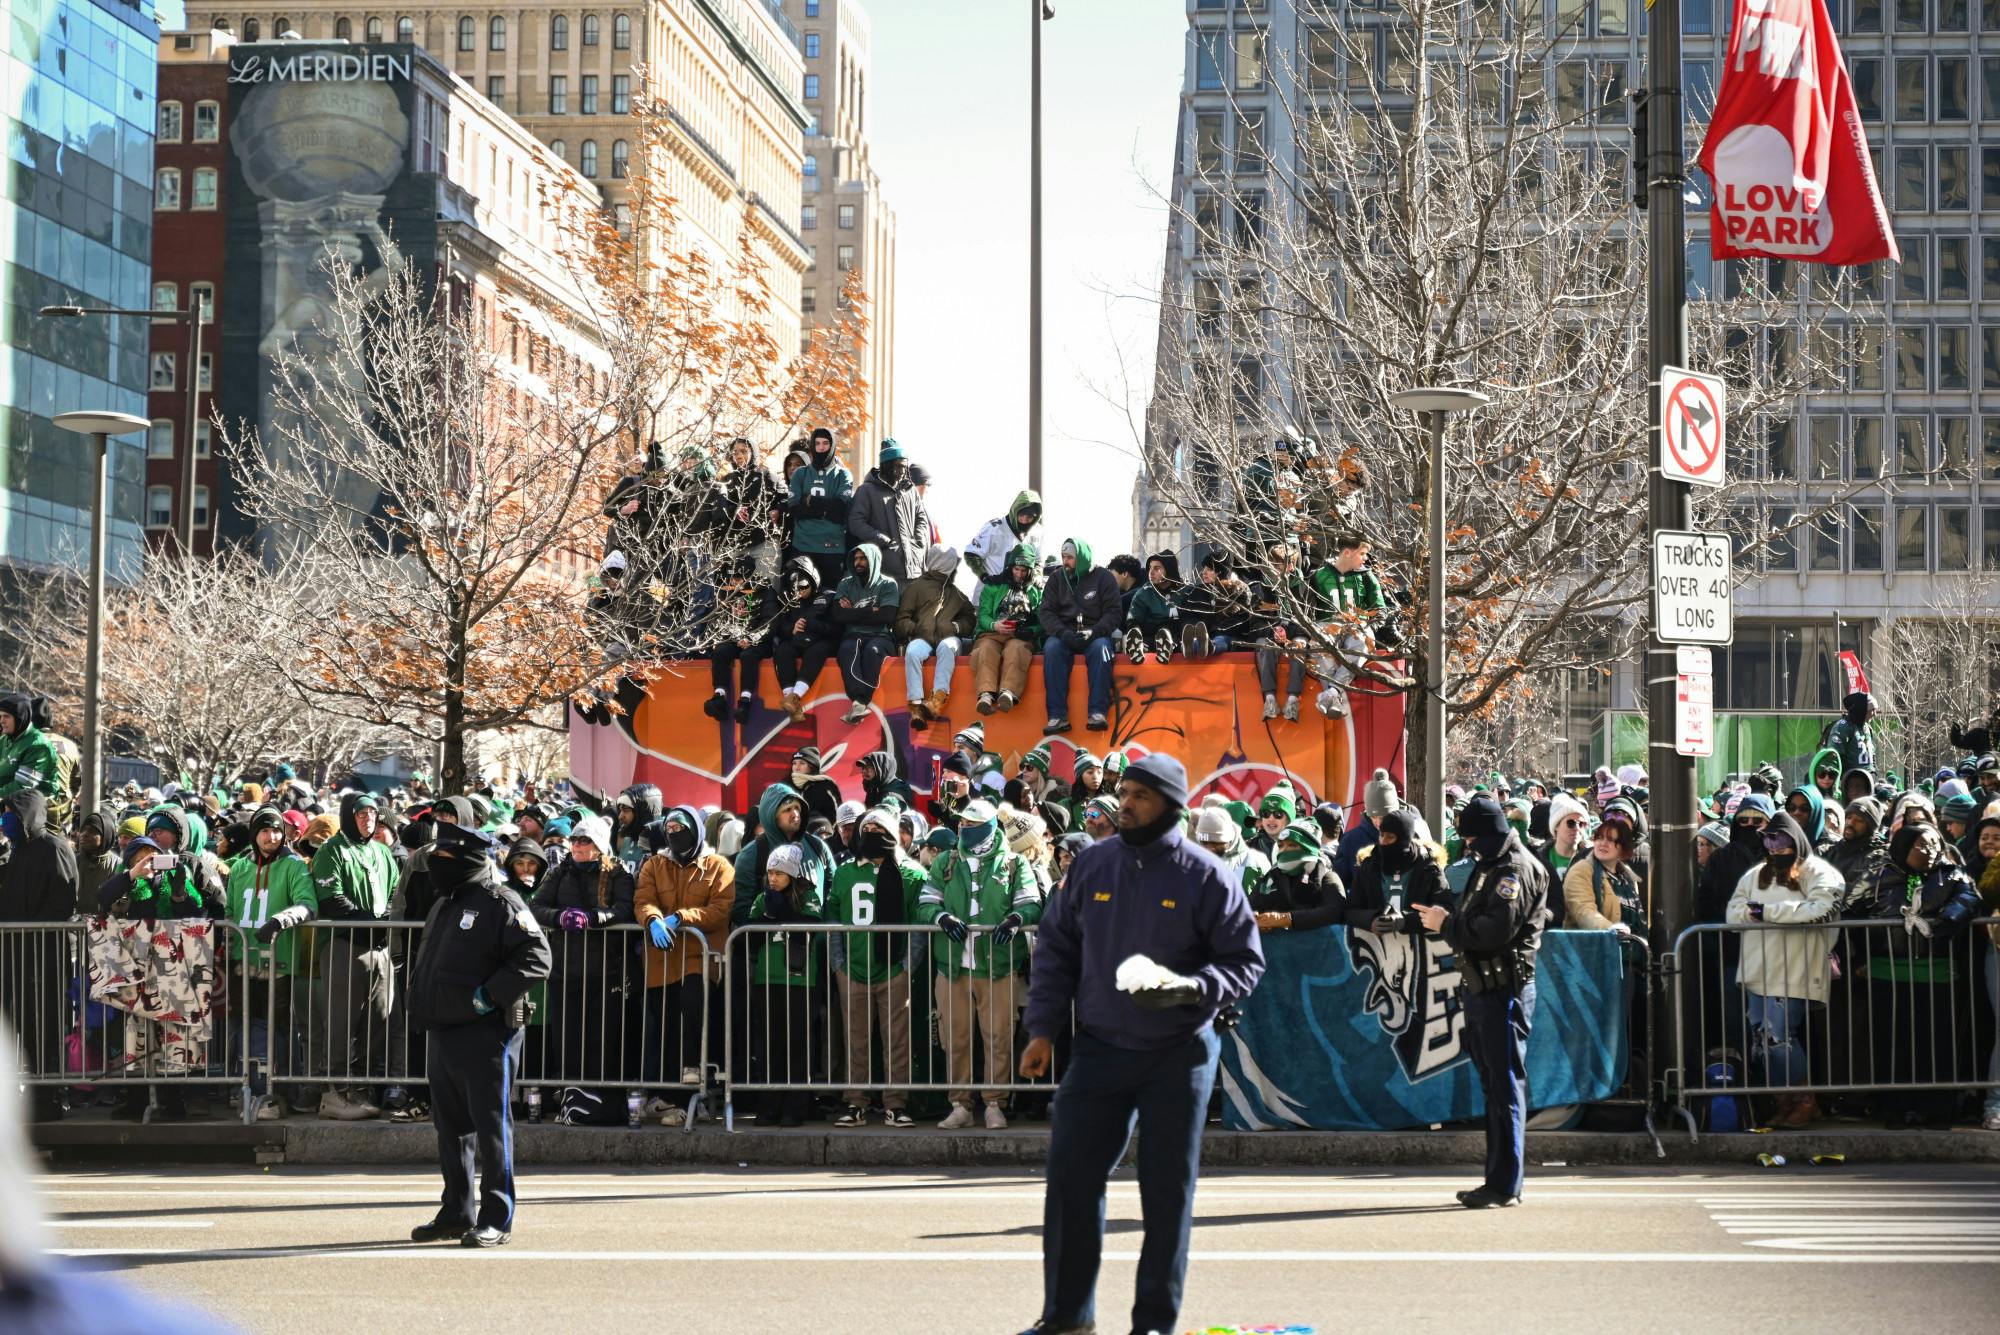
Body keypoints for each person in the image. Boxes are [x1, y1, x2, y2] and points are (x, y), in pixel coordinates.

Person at [1016, 754, 1265, 1335]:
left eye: (1140, 796)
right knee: (1071, 1178)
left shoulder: (1206, 875)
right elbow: (1056, 949)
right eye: (1123, 792)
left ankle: (1153, 1323)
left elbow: (1246, 962)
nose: (1124, 803)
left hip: (1179, 1054)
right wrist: (1043, 1030)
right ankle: (1068, 1316)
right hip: (1100, 1048)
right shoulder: (1093, 867)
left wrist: (1194, 987)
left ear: (1172, 806)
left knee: (1166, 1194)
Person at [405, 820, 551, 1247]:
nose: (436, 864)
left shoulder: (499, 900)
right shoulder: (446, 901)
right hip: (443, 1029)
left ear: (469, 860)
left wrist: (488, 997)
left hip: (486, 1034)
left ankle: (497, 1216)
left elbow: (536, 957)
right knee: (451, 1130)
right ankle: (457, 1210)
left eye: (446, 858)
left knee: (490, 1128)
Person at [1414, 794, 1547, 1208]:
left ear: (1488, 834)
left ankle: (1505, 1183)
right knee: (1495, 1085)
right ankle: (1500, 1179)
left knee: (1505, 1086)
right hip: (1484, 987)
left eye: (1472, 837)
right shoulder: (1492, 865)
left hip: (1502, 990)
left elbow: (1494, 930)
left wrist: (1446, 924)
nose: (1468, 845)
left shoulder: (1514, 870)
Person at [916, 797, 1042, 1129]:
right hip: (953, 965)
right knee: (954, 1037)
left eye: (971, 824)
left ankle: (994, 1104)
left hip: (997, 965)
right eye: (962, 823)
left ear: (988, 827)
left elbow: (1031, 902)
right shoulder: (946, 860)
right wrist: (940, 917)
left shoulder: (1014, 863)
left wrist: (1017, 918)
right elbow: (926, 901)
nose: (964, 828)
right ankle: (960, 1104)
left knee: (998, 1037)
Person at [1725, 810, 1841, 1127]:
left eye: (1781, 839)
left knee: (1780, 1039)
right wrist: (1753, 914)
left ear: (1795, 840)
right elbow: (1733, 913)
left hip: (1794, 971)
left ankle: (1804, 1100)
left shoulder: (1818, 871)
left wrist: (1766, 912)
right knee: (1762, 1044)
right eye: (1769, 839)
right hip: (1757, 971)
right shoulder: (1755, 874)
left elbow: (1823, 908)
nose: (1774, 846)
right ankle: (1786, 1100)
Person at [528, 819, 635, 1125]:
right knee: (567, 1041)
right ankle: (571, 1100)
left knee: (602, 1041)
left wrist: (594, 918)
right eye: (573, 840)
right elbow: (536, 907)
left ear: (598, 845)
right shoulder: (560, 871)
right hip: (565, 970)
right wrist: (560, 916)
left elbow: (625, 909)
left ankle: (600, 1103)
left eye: (583, 841)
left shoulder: (618, 872)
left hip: (605, 971)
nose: (575, 845)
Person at [826, 807, 927, 1127]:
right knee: (855, 1038)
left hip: (893, 968)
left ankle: (895, 1103)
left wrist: (907, 965)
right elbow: (832, 919)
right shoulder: (845, 872)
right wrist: (838, 964)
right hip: (854, 969)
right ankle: (855, 1101)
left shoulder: (912, 873)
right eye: (864, 828)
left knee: (897, 1039)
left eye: (877, 828)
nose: (870, 833)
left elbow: (918, 921)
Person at [634, 806, 735, 1122]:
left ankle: (695, 1090)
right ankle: (669, 1096)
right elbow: (644, 898)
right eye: (671, 828)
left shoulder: (718, 866)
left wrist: (680, 918)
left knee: (693, 1015)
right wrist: (652, 919)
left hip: (698, 956)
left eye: (682, 827)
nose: (676, 833)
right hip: (662, 959)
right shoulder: (654, 864)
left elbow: (720, 908)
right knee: (665, 1025)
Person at [308, 793, 402, 1121]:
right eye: (361, 813)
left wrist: (384, 924)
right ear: (349, 816)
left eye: (373, 813)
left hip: (380, 949)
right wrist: (368, 926)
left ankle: (361, 1086)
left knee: (380, 1018)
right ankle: (334, 1090)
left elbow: (395, 893)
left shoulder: (381, 852)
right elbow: (331, 898)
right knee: (341, 1021)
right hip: (344, 944)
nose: (368, 819)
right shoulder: (330, 851)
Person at [230, 807, 317, 1121]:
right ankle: (248, 1090)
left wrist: (281, 920)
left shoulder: (293, 866)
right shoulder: (240, 867)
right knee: (244, 1027)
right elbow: (229, 911)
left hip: (279, 964)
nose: (272, 836)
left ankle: (273, 1093)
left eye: (277, 830)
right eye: (265, 830)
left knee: (274, 1030)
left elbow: (307, 904)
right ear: (255, 833)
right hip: (243, 963)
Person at [0, 790, 77, 1122]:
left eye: (9, 814)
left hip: (44, 955)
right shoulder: (17, 852)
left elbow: (62, 901)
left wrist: (29, 929)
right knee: (17, 1027)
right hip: (15, 956)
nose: (4, 821)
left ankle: (48, 1097)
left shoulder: (53, 848)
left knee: (43, 1028)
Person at [745, 842, 825, 1126]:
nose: (773, 879)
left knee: (797, 1045)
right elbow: (749, 937)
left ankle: (796, 1106)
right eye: (770, 873)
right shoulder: (762, 898)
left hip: (801, 981)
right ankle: (768, 1105)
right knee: (769, 1045)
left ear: (792, 874)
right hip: (768, 979)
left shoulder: (808, 895)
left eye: (779, 873)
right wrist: (768, 915)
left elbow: (809, 930)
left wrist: (783, 914)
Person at [1038, 538, 1123, 734]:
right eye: (1063, 557)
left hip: (1095, 633)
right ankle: (1057, 716)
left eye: (1070, 557)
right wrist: (1062, 633)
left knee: (1102, 651)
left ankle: (1097, 713)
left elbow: (1114, 612)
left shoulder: (1104, 577)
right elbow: (1046, 612)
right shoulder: (1057, 578)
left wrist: (1095, 631)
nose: (1065, 561)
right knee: (1051, 649)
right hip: (1064, 633)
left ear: (1082, 558)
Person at [1306, 534, 1388, 718]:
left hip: (1356, 625)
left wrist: (1370, 625)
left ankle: (1331, 692)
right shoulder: (1319, 574)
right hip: (1326, 624)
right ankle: (1333, 698)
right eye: (1363, 553)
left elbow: (1380, 608)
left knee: (1363, 643)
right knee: (1319, 643)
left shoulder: (1366, 576)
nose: (1366, 559)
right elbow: (1307, 607)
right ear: (1348, 553)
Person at [896, 543, 977, 728]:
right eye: (952, 563)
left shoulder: (956, 593)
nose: (955, 567)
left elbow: (970, 619)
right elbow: (901, 620)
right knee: (913, 652)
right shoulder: (915, 588)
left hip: (948, 638)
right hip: (922, 639)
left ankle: (936, 702)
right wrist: (917, 629)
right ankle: (916, 709)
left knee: (947, 648)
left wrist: (956, 627)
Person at [830, 542, 900, 724]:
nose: (857, 563)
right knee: (847, 651)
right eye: (855, 559)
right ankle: (858, 701)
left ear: (874, 560)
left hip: (881, 637)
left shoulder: (888, 584)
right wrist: (870, 610)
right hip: (852, 635)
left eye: (863, 559)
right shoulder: (846, 583)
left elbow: (887, 615)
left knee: (872, 652)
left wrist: (852, 612)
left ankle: (860, 702)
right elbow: (838, 615)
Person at [969, 544, 1043, 715]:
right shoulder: (993, 586)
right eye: (1016, 569)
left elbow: (1043, 621)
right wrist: (994, 625)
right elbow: (983, 615)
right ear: (1010, 568)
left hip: (1019, 636)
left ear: (1030, 571)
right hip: (992, 633)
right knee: (985, 649)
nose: (1019, 574)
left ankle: (1008, 692)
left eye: (1024, 571)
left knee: (1017, 650)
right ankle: (986, 695)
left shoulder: (1037, 591)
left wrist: (1032, 630)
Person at [846, 439, 928, 585]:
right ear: (885, 466)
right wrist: (883, 540)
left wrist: (918, 542)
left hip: (914, 570)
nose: (902, 471)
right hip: (884, 571)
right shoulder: (866, 491)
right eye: (898, 467)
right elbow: (855, 523)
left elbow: (921, 518)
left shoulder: (911, 491)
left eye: (904, 467)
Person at [787, 427, 855, 589]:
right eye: (817, 443)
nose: (821, 447)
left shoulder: (843, 475)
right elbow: (794, 508)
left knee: (830, 596)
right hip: (803, 546)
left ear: (832, 446)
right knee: (799, 595)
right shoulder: (800, 474)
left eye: (826, 443)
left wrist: (810, 500)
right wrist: (826, 511)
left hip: (833, 548)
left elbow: (840, 505)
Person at [1251, 820, 1344, 935]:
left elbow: (1334, 911)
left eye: (1292, 845)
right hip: (1275, 950)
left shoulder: (1327, 875)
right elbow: (1251, 905)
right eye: (1281, 845)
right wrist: (1254, 917)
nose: (1284, 850)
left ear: (1308, 848)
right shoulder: (1269, 877)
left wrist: (1287, 919)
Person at [717, 436, 784, 583]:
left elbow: (784, 499)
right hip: (736, 545)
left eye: (744, 451)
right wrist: (733, 511)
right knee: (734, 595)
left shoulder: (767, 476)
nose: (739, 456)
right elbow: (719, 511)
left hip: (765, 543)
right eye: (735, 452)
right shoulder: (727, 481)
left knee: (767, 589)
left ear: (753, 452)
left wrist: (777, 509)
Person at [1563, 817, 1644, 936]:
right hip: (1593, 950)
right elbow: (1583, 911)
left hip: (1629, 950)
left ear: (1623, 847)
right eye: (1599, 837)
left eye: (1611, 840)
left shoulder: (1629, 878)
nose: (1603, 843)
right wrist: (1611, 929)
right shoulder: (1581, 870)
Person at [963, 489, 1044, 588]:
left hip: (1020, 596)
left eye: (1029, 517)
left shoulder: (1037, 532)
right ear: (1015, 511)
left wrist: (1036, 576)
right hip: (990, 593)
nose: (1024, 521)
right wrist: (984, 577)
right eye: (1021, 515)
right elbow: (971, 554)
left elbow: (1038, 561)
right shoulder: (994, 529)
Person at [0, 692, 63, 809]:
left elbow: (22, 787)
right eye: (0, 716)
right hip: (9, 809)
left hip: (37, 815)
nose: (2, 721)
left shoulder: (38, 745)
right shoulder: (4, 739)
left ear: (20, 717)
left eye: (6, 716)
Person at [1121, 550, 1181, 665]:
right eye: (1150, 568)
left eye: (1157, 568)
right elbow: (1133, 619)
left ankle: (1167, 645)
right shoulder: (1144, 592)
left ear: (1169, 570)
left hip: (1176, 637)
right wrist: (1134, 629)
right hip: (1150, 635)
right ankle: (1137, 647)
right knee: (1139, 631)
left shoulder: (1184, 591)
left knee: (1178, 634)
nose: (1151, 572)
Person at [1825, 691, 1878, 776]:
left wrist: (1872, 769)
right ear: (1862, 710)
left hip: (1867, 780)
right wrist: (1847, 778)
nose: (1875, 714)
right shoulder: (1843, 726)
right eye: (1872, 710)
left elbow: (1872, 753)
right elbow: (1835, 755)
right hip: (1851, 782)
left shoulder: (1867, 728)